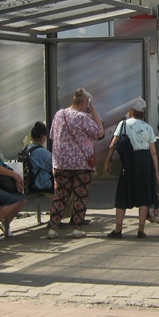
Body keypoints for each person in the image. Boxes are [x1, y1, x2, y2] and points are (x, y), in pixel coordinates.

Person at [47, 88, 104, 239]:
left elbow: (53, 134)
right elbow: (100, 133)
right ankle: (77, 227)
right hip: (82, 163)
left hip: (60, 162)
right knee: (80, 195)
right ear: (85, 103)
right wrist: (95, 113)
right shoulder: (83, 117)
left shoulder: (59, 114)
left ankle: (53, 227)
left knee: (60, 194)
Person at [104, 99, 158, 239]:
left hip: (129, 162)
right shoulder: (148, 127)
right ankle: (140, 230)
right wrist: (156, 171)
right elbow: (153, 152)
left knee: (122, 194)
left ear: (131, 111)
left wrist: (107, 162)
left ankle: (118, 230)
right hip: (145, 161)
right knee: (144, 195)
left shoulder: (123, 125)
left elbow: (112, 145)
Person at [0, 128, 27, 240]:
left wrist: (16, 178)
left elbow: (2, 165)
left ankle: (5, 223)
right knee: (12, 200)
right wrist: (14, 175)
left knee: (22, 198)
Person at [25, 121, 53, 195]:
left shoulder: (28, 147)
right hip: (42, 184)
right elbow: (54, 165)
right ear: (42, 136)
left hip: (30, 183)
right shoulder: (41, 152)